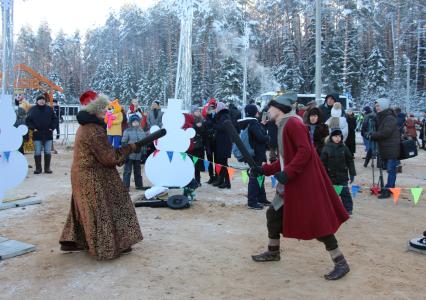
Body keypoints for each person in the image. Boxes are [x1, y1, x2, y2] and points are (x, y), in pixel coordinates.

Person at [250, 91, 350, 281]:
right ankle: (273, 251)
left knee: (318, 222)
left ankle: (340, 262)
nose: (267, 110)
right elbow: (284, 159)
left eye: (270, 107)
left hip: (302, 183)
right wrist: (264, 170)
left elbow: (305, 152)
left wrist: (287, 174)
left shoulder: (293, 124)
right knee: (273, 213)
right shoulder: (283, 124)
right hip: (291, 182)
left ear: (279, 108)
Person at [60, 91, 143, 260]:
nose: (107, 112)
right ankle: (108, 246)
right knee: (102, 210)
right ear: (94, 111)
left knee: (84, 209)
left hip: (83, 175)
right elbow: (109, 158)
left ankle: (75, 241)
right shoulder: (93, 130)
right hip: (91, 177)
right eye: (103, 109)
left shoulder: (89, 127)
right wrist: (130, 148)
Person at [238, 104, 270, 210]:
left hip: (253, 154)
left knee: (259, 175)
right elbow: (260, 138)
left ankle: (261, 197)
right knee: (255, 177)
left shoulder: (249, 123)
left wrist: (263, 125)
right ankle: (252, 201)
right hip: (256, 154)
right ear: (255, 112)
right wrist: (268, 137)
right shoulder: (253, 123)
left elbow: (256, 135)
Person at [369, 98, 401, 199]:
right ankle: (389, 187)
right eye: (376, 106)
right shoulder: (382, 116)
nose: (376, 108)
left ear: (383, 106)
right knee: (389, 169)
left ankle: (388, 189)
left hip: (392, 148)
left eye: (378, 106)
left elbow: (386, 132)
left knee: (391, 170)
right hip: (386, 147)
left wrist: (373, 135)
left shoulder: (389, 118)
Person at [321, 128, 356, 215]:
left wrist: (352, 173)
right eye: (335, 136)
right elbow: (322, 164)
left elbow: (350, 161)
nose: (337, 138)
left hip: (343, 176)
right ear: (331, 137)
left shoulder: (344, 147)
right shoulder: (326, 148)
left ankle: (348, 209)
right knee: (331, 194)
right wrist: (323, 175)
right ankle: (331, 210)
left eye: (339, 136)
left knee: (345, 193)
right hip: (330, 177)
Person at [26, 94, 58, 174]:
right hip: (37, 134)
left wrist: (52, 127)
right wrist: (33, 128)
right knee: (37, 152)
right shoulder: (32, 110)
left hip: (48, 134)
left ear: (45, 101)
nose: (42, 101)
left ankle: (47, 168)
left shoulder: (49, 109)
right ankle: (38, 169)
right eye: (40, 100)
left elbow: (55, 119)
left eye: (43, 100)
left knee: (47, 151)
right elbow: (28, 121)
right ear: (37, 101)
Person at [122, 114, 147, 190]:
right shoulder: (127, 131)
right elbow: (124, 142)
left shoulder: (141, 132)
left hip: (138, 155)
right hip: (129, 155)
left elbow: (144, 144)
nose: (136, 123)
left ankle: (139, 185)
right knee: (127, 171)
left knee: (138, 171)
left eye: (137, 121)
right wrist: (125, 153)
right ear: (131, 122)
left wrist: (143, 153)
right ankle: (125, 186)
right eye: (134, 122)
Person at [212, 102, 232, 189]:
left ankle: (227, 182)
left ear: (219, 108)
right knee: (220, 163)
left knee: (224, 164)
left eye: (216, 108)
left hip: (224, 143)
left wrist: (214, 125)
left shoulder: (224, 116)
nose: (215, 109)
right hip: (221, 143)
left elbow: (223, 128)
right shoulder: (221, 116)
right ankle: (221, 180)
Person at [203, 98, 218, 184]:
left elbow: (217, 127)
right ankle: (211, 176)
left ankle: (217, 176)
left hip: (215, 141)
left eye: (212, 108)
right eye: (209, 108)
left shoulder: (216, 117)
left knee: (216, 160)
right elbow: (204, 129)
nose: (210, 110)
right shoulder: (206, 118)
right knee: (209, 160)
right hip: (208, 142)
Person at [190, 107, 206, 186]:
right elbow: (190, 131)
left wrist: (201, 127)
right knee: (191, 164)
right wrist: (196, 126)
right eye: (196, 111)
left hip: (200, 145)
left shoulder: (202, 120)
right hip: (193, 145)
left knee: (198, 164)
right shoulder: (191, 120)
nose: (198, 112)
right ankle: (190, 181)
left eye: (198, 111)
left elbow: (203, 131)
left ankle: (198, 180)